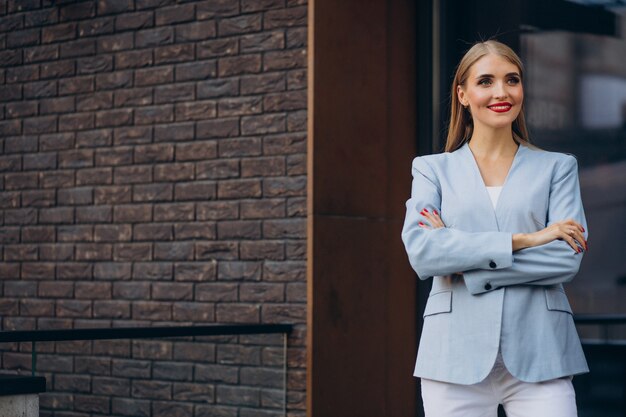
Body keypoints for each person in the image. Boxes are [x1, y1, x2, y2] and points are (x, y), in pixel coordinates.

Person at [401, 39, 589, 417]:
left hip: (542, 351)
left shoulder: (557, 167)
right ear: (463, 94)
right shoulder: (432, 169)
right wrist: (528, 239)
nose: (501, 92)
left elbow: (564, 260)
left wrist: (460, 257)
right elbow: (423, 252)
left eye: (512, 80)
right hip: (453, 355)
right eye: (485, 81)